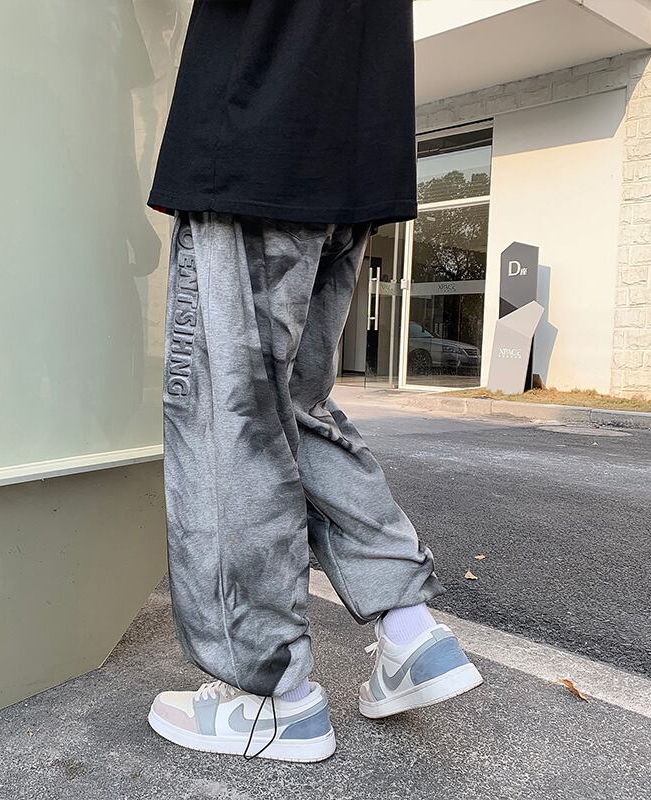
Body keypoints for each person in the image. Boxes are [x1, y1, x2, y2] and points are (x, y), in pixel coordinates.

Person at [146, 0, 482, 762]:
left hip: (255, 124)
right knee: (293, 406)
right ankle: (409, 630)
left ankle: (271, 695)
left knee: (230, 414)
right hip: (353, 143)